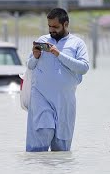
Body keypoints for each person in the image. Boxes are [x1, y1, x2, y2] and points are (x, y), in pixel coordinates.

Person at [26, 8, 89, 152]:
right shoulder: (42, 40)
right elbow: (30, 65)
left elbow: (84, 68)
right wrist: (35, 56)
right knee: (43, 131)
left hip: (65, 100)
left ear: (65, 24)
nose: (51, 30)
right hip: (41, 96)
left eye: (55, 27)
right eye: (49, 26)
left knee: (61, 148)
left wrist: (58, 54)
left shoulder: (77, 43)